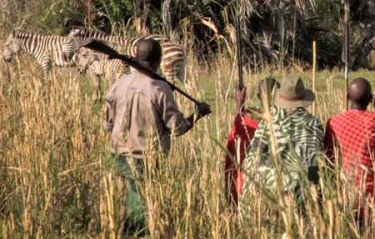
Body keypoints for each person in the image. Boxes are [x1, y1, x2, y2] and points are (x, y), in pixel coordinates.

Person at [102, 38, 211, 235]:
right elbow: (177, 128)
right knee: (141, 208)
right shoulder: (160, 89)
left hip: (116, 154)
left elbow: (107, 124)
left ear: (135, 57)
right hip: (146, 158)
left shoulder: (118, 84)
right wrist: (198, 114)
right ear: (158, 62)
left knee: (121, 200)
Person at [242, 75, 324, 208]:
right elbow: (319, 159)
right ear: (304, 100)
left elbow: (252, 158)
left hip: (272, 192)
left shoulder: (268, 122)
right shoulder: (314, 123)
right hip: (306, 194)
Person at [324, 77, 375, 222]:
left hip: (346, 192)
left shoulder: (334, 122)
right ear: (371, 99)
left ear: (347, 97)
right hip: (374, 194)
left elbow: (329, 159)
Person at [224, 77, 278, 206]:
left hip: (247, 189)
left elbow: (237, 136)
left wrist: (239, 103)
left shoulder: (246, 122)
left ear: (259, 96)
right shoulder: (287, 123)